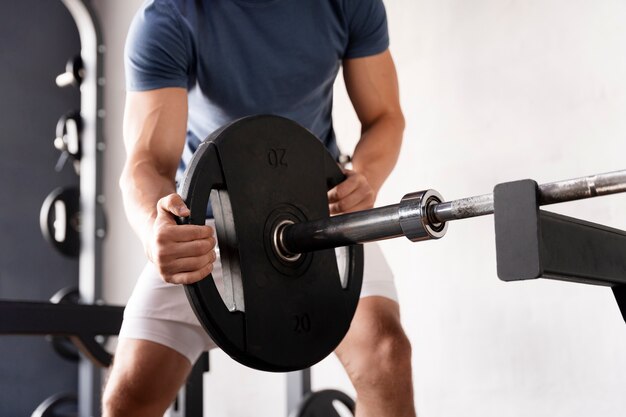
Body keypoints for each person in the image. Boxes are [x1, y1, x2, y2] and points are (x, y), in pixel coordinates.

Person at [102, 0, 414, 416]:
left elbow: (385, 117)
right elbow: (146, 164)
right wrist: (152, 229)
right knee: (129, 397)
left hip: (316, 219)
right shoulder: (171, 16)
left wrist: (364, 177)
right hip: (209, 227)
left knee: (386, 354)